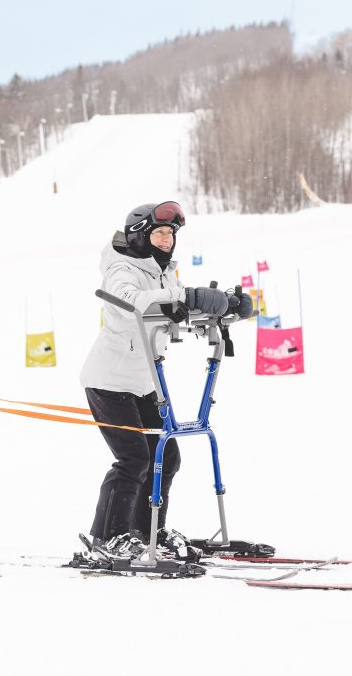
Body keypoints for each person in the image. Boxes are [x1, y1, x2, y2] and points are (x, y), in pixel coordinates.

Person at [79, 201, 235, 561]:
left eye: (170, 234)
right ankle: (109, 538)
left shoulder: (162, 272)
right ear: (140, 236)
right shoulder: (122, 268)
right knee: (133, 458)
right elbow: (131, 303)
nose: (166, 240)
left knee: (168, 456)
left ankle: (147, 530)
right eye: (159, 233)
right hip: (109, 380)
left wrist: (221, 305)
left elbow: (174, 308)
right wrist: (183, 296)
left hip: (144, 381)